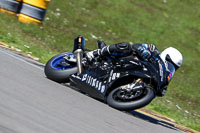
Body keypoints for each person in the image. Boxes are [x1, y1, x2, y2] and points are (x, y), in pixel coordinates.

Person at [85, 41, 183, 95]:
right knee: (126, 46)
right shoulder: (154, 50)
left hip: (131, 73)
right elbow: (136, 45)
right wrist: (142, 50)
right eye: (170, 64)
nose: (170, 67)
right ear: (166, 55)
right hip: (122, 61)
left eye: (174, 67)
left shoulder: (162, 75)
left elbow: (160, 93)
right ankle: (94, 54)